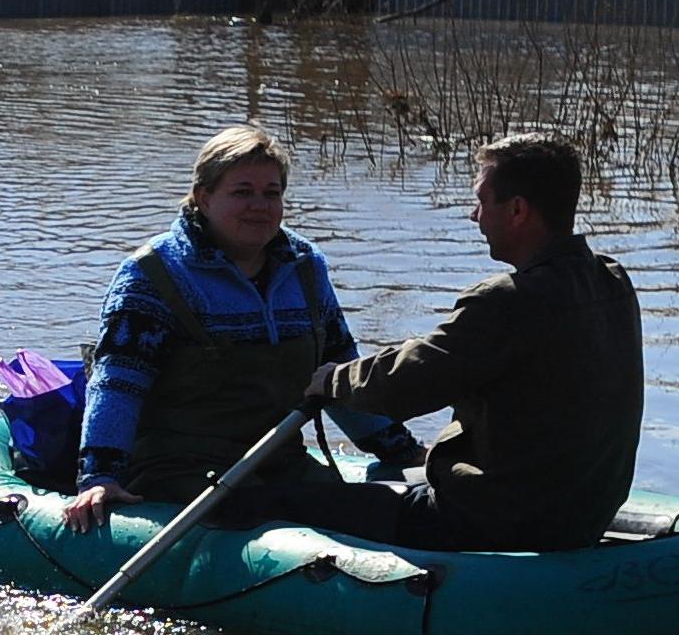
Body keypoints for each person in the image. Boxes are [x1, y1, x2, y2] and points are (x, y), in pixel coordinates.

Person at [250, 131, 646, 553]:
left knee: (282, 503)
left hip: (496, 521)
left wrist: (333, 381)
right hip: (582, 511)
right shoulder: (613, 279)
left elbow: (411, 381)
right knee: (388, 476)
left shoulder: (508, 301)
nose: (474, 216)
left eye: (481, 200)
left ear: (517, 210)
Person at [60, 124, 422, 532]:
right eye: (242, 192)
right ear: (204, 197)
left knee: (380, 515)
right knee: (264, 512)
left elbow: (339, 375)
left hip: (278, 464)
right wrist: (99, 477)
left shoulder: (305, 267)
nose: (260, 206)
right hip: (177, 472)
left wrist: (403, 452)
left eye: (272, 193)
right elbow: (118, 384)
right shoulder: (154, 275)